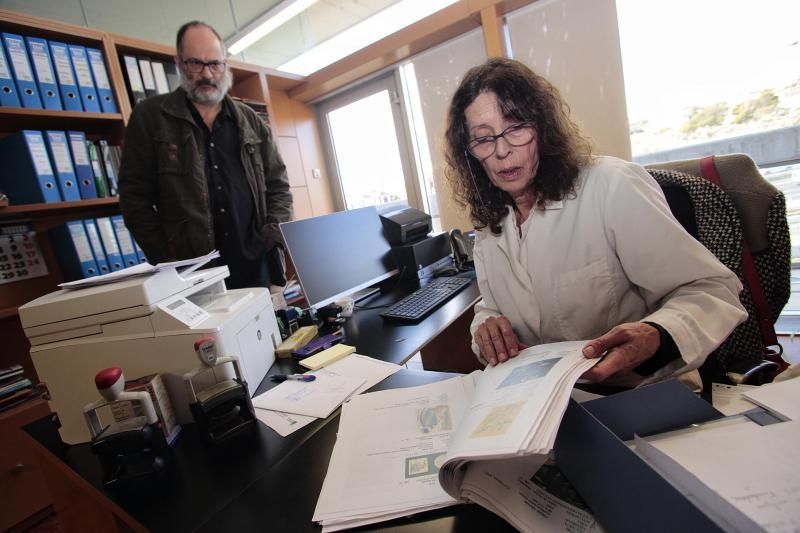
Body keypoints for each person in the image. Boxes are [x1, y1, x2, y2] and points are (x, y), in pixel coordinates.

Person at [444, 58, 747, 386]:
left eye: (516, 127)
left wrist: (657, 334)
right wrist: (485, 331)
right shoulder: (491, 225)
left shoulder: (612, 185)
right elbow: (490, 307)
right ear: (470, 153)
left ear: (542, 129)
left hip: (640, 391)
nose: (502, 150)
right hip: (551, 397)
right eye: (483, 139)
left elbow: (713, 290)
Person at [119, 21, 293, 289]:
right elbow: (134, 200)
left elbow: (278, 185)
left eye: (215, 64)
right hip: (192, 276)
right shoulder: (150, 117)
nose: (207, 74)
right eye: (195, 64)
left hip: (255, 266)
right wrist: (168, 260)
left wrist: (271, 236)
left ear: (225, 64)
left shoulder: (250, 120)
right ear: (178, 62)